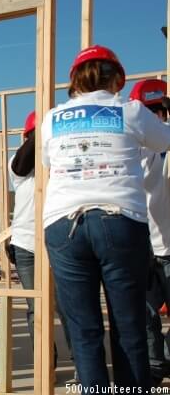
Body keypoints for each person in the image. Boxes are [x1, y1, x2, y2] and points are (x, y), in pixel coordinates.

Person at [41, 45, 170, 392]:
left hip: (63, 224)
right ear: (116, 79)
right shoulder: (130, 110)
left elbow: (48, 165)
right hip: (119, 220)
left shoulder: (52, 119)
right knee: (129, 327)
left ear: (75, 81)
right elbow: (164, 140)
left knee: (84, 330)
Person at [8, 110, 75, 380]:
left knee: (69, 306)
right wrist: (40, 132)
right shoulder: (19, 162)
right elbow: (22, 164)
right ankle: (45, 365)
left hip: (60, 239)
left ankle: (83, 365)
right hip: (26, 243)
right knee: (36, 308)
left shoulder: (62, 158)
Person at [129, 78, 170, 386]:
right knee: (146, 315)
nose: (156, 116)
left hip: (168, 245)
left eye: (160, 110)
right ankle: (155, 366)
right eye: (150, 110)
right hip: (140, 245)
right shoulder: (127, 147)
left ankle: (164, 359)